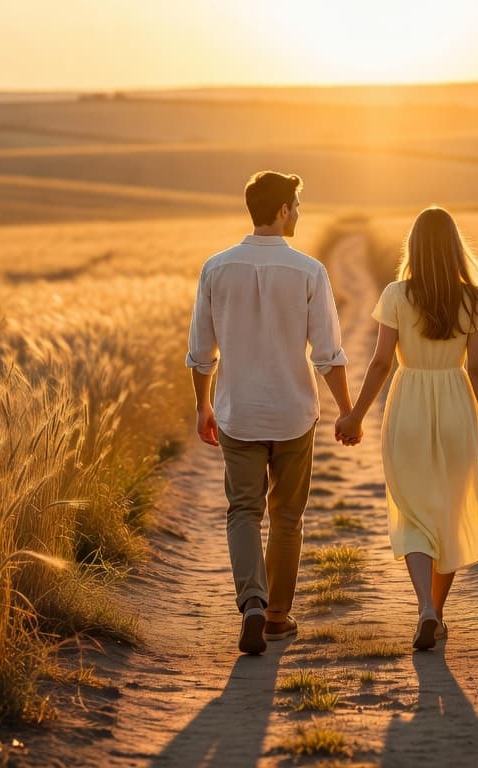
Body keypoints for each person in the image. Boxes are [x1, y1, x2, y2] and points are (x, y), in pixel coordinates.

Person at [336, 206, 478, 651]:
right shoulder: (472, 299)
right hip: (457, 406)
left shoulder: (397, 294)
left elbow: (381, 362)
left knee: (414, 510)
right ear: (455, 247)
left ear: (413, 247)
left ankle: (423, 609)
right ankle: (436, 614)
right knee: (448, 513)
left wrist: (356, 415)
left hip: (409, 408)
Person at [186, 171, 354, 655]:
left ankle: (253, 604)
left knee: (243, 509)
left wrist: (203, 406)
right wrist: (347, 410)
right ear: (282, 210)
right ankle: (278, 619)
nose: (299, 214)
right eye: (296, 205)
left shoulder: (215, 268)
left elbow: (201, 352)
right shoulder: (309, 271)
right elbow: (328, 354)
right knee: (286, 516)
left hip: (237, 411)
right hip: (294, 414)